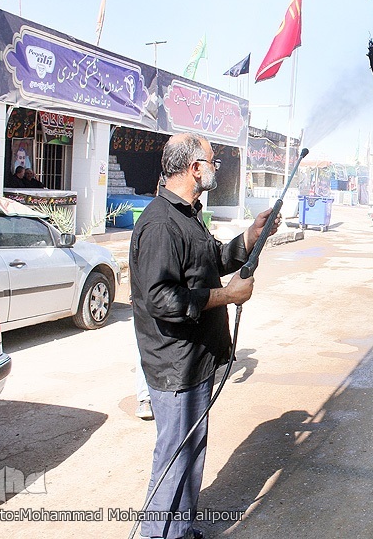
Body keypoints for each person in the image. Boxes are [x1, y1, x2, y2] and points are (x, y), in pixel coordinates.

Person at [130, 132, 279, 539]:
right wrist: (227, 296)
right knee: (174, 458)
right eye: (212, 161)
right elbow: (162, 300)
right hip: (175, 366)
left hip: (196, 361)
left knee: (190, 453)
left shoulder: (188, 215)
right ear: (195, 168)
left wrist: (251, 236)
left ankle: (179, 529)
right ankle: (159, 535)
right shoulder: (161, 224)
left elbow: (212, 259)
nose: (216, 167)